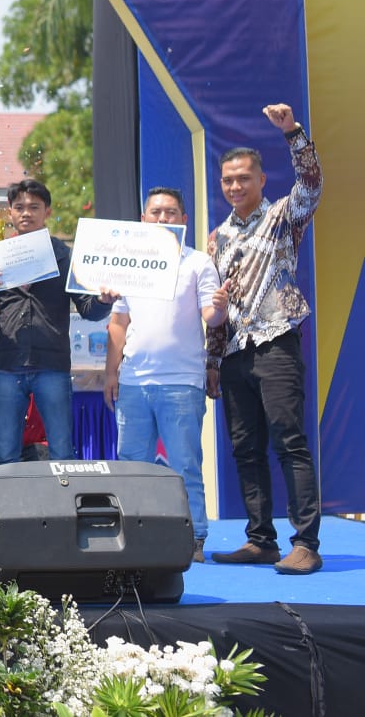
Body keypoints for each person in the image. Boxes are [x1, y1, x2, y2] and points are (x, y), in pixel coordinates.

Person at [206, 103, 324, 575]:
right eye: (228, 180)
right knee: (245, 448)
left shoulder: (282, 217)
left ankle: (307, 543)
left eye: (243, 178)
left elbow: (312, 184)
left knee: (289, 441)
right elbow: (216, 308)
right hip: (234, 353)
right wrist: (213, 360)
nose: (235, 186)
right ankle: (261, 540)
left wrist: (293, 132)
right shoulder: (216, 238)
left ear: (260, 179)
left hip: (276, 341)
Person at [103, 187, 228, 564]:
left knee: (186, 464)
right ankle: (133, 537)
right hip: (134, 382)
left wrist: (221, 308)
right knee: (131, 467)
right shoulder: (128, 263)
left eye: (170, 212)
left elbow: (212, 317)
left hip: (181, 381)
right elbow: (118, 321)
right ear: (143, 219)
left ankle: (195, 538)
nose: (162, 218)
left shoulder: (198, 263)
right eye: (155, 212)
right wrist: (112, 372)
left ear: (184, 220)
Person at [0, 179, 115, 466]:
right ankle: (8, 511)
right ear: (11, 213)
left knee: (62, 451)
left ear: (47, 212)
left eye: (34, 207)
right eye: (19, 208)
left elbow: (88, 310)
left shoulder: (65, 256)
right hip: (8, 366)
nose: (26, 213)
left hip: (52, 366)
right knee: (5, 454)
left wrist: (104, 301)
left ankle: (63, 511)